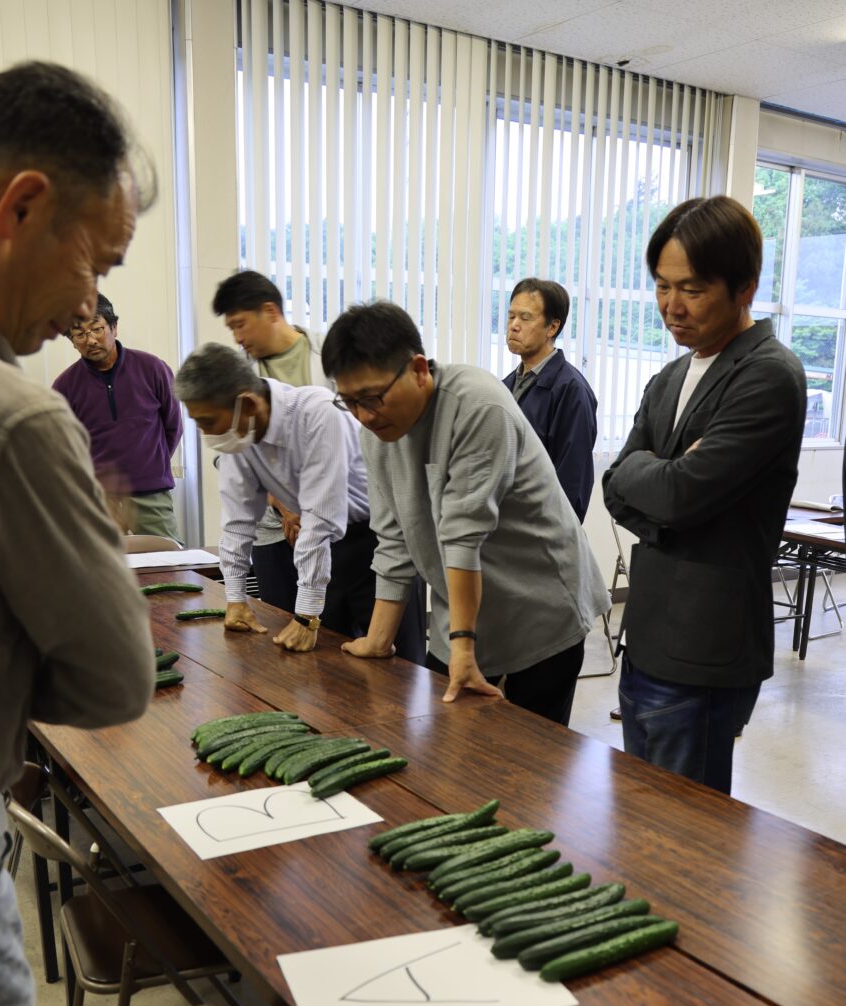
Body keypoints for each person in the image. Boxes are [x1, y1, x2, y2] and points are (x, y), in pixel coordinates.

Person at [0, 62, 158, 1006]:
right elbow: (115, 682)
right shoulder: (12, 416)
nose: (86, 307)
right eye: (97, 266)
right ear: (21, 207)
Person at [602, 195, 806, 794]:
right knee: (640, 814)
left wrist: (661, 487)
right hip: (647, 633)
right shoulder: (669, 376)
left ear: (744, 286)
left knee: (683, 837)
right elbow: (614, 486)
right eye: (662, 287)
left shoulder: (768, 374)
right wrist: (658, 481)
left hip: (705, 646)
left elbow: (682, 494)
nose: (671, 307)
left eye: (691, 288)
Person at [320, 301, 611, 716]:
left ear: (419, 370)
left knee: (528, 765)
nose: (363, 416)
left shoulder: (477, 406)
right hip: (460, 621)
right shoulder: (377, 432)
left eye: (372, 398)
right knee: (452, 758)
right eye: (348, 402)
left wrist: (463, 646)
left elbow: (462, 537)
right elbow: (394, 539)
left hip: (538, 615)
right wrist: (378, 639)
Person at [174, 343, 425, 662]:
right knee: (331, 671)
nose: (206, 434)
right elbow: (238, 522)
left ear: (247, 404)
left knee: (403, 670)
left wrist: (306, 615)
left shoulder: (317, 413)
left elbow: (320, 520)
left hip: (382, 545)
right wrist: (236, 599)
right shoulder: (240, 435)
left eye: (208, 421)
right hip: (327, 551)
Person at [212, 270, 328, 610]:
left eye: (240, 324)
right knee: (280, 623)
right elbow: (228, 452)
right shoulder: (237, 376)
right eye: (231, 328)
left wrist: (308, 508)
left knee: (332, 631)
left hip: (331, 523)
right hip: (271, 527)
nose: (236, 337)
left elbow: (349, 443)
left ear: (271, 312)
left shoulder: (330, 356)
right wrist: (283, 504)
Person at [53, 292, 184, 542]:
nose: (90, 340)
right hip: (99, 500)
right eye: (79, 334)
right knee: (102, 571)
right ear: (72, 341)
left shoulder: (152, 368)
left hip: (151, 494)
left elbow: (173, 425)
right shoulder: (65, 386)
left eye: (97, 329)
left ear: (114, 327)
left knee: (170, 563)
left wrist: (151, 465)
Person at [502, 278, 598, 522]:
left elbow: (572, 485)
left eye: (525, 318)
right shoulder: (506, 386)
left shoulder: (571, 390)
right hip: (504, 530)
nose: (513, 325)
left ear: (552, 327)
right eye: (511, 316)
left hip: (541, 538)